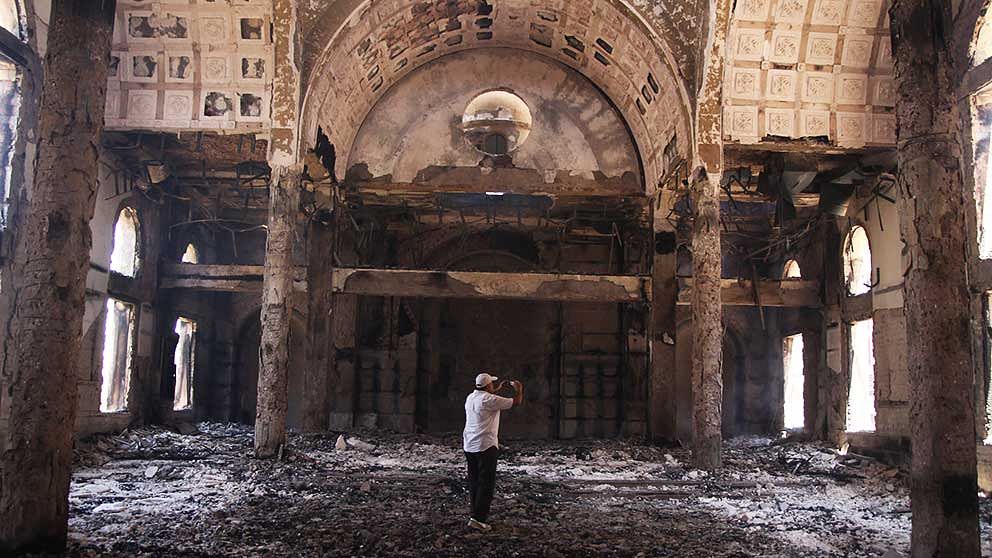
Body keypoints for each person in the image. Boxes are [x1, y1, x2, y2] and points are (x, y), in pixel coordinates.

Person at [462, 372, 523, 532]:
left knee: (474, 481)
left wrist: (497, 389)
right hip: (485, 446)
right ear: (488, 385)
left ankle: (474, 515)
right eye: (492, 385)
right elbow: (516, 402)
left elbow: (486, 397)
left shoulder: (471, 398)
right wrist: (519, 389)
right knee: (486, 483)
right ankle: (479, 519)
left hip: (469, 445)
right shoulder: (490, 400)